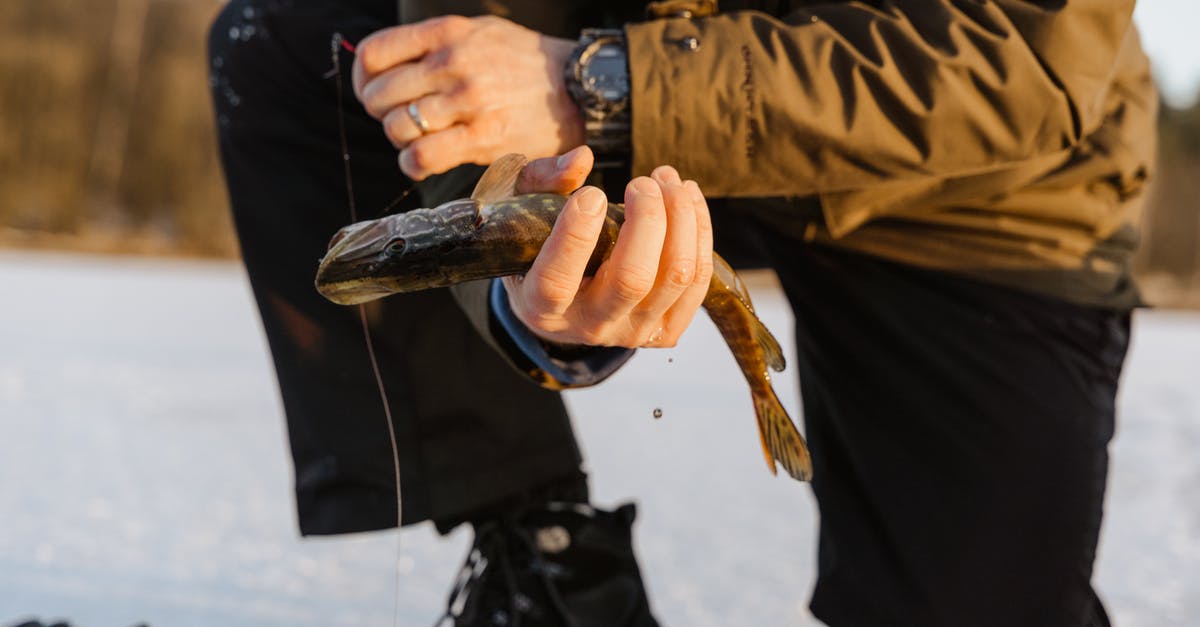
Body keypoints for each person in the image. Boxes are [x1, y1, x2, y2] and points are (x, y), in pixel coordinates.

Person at [208, 1, 1155, 625]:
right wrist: (520, 295)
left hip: (973, 191)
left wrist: (602, 90)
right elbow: (456, 50)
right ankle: (548, 565)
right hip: (649, 109)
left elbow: (1024, 49)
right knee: (289, 44)